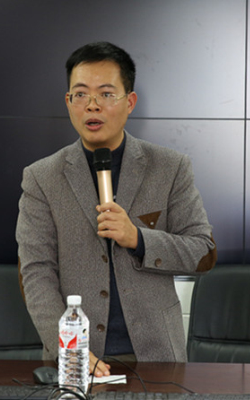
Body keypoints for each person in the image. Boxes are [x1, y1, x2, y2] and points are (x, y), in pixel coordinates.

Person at [16, 41, 216, 377]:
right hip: (77, 357)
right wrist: (70, 348)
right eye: (80, 94)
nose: (92, 105)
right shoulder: (41, 178)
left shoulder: (170, 167)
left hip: (156, 358)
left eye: (106, 94)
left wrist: (139, 238)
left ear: (130, 102)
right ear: (68, 102)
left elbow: (203, 253)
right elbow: (35, 273)